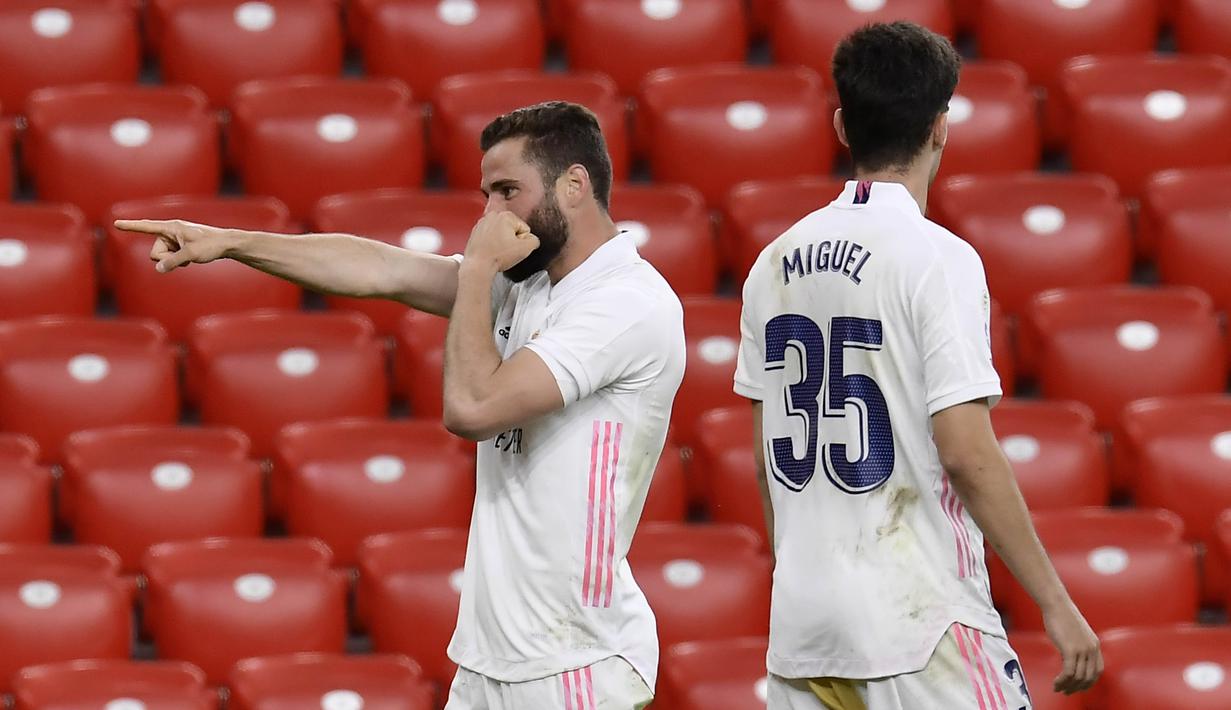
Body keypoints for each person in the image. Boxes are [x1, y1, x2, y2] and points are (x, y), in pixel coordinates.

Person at [115, 101, 684, 710]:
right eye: (487, 193)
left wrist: (477, 272)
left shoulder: (625, 303)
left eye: (507, 191)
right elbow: (379, 267)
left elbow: (472, 406)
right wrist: (231, 242)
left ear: (575, 184)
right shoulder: (535, 285)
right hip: (494, 659)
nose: (491, 213)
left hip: (573, 664)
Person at [732, 22, 1102, 710]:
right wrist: (1055, 602)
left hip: (803, 624)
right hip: (917, 619)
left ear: (842, 126)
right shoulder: (937, 257)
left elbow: (762, 461)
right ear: (940, 128)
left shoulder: (771, 261)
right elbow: (965, 452)